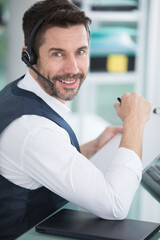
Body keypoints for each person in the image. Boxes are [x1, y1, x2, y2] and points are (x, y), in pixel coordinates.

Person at [0, 0, 151, 239]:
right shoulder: (34, 130)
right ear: (29, 57)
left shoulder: (17, 91)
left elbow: (33, 163)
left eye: (80, 51)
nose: (73, 68)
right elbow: (115, 205)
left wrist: (86, 150)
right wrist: (134, 123)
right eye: (57, 53)